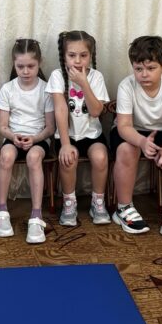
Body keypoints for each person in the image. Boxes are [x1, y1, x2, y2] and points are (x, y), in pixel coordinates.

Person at [110, 35, 162, 237]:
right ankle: (123, 208)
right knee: (127, 149)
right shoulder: (126, 86)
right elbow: (123, 126)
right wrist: (141, 141)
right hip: (132, 130)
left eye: (151, 68)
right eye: (138, 69)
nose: (144, 74)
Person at [46, 30, 111, 226]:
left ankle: (97, 202)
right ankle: (69, 203)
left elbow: (96, 111)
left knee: (100, 157)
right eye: (72, 55)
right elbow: (60, 109)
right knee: (68, 160)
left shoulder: (96, 77)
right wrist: (65, 144)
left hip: (92, 135)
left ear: (91, 56)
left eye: (83, 55)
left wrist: (83, 83)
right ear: (64, 56)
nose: (77, 61)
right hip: (67, 135)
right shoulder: (57, 75)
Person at [0, 38, 56, 243]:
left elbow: (50, 128)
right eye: (20, 66)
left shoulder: (46, 90)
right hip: (14, 137)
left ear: (39, 63)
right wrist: (14, 137)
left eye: (31, 66)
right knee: (6, 156)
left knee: (34, 157)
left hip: (38, 138)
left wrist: (34, 139)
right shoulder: (8, 89)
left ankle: (36, 215)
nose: (26, 71)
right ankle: (1, 211)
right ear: (14, 64)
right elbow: (3, 126)